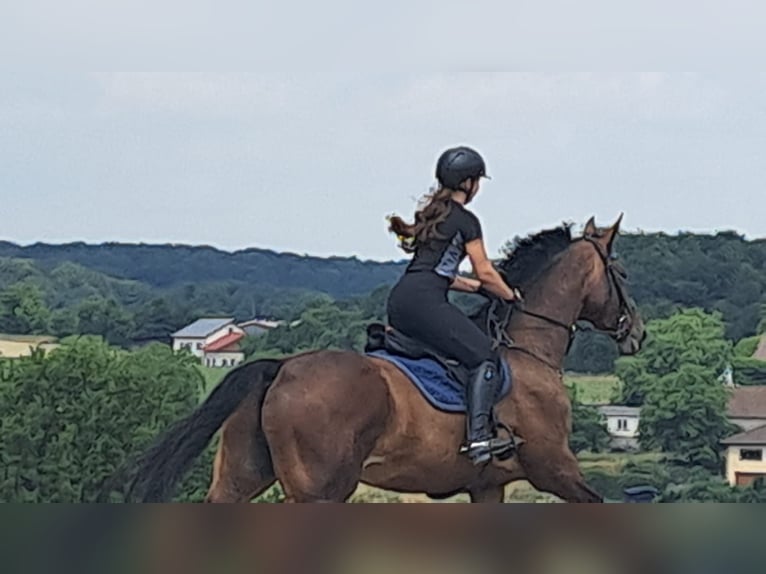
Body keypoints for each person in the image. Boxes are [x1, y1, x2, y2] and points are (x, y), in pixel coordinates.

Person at [386, 145, 521, 465]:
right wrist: (509, 294)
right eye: (477, 182)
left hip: (401, 299)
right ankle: (479, 440)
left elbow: (439, 272)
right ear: (468, 183)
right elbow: (485, 269)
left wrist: (475, 289)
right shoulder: (466, 220)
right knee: (485, 356)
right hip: (425, 303)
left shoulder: (434, 213)